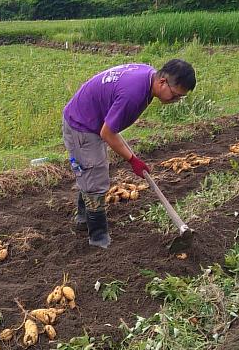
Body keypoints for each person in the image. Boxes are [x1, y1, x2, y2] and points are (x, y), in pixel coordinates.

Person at [62, 59, 196, 248]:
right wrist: (132, 160)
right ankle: (98, 238)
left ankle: (83, 220)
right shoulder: (134, 95)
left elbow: (110, 125)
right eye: (175, 95)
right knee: (95, 176)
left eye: (180, 98)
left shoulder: (148, 76)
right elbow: (107, 133)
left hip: (93, 118)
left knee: (91, 173)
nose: (175, 101)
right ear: (163, 82)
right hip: (82, 125)